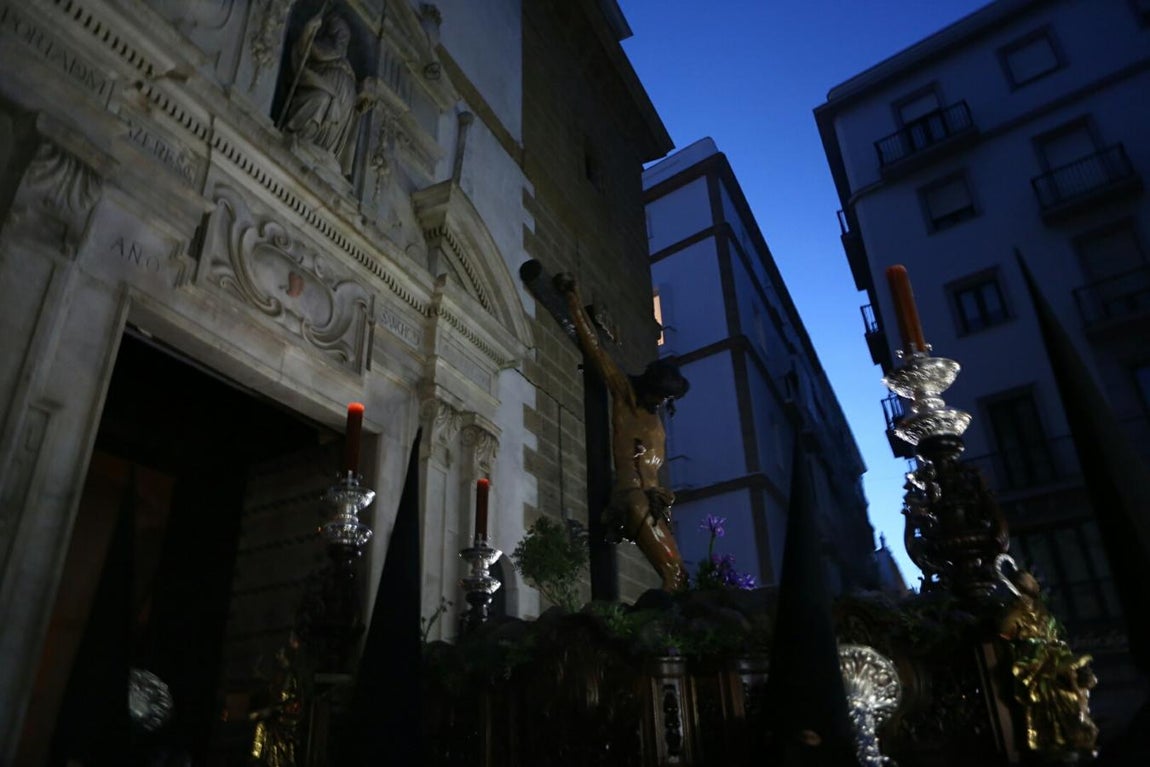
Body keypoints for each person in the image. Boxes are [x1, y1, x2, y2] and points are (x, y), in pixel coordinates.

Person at [555, 273, 690, 591]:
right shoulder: (626, 396)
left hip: (654, 500)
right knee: (672, 574)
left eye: (668, 398)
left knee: (679, 576)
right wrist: (573, 299)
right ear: (651, 385)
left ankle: (662, 629)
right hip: (630, 498)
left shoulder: (655, 420)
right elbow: (596, 350)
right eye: (661, 394)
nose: (662, 402)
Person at [282, 13, 359, 158]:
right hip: (317, 90)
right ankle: (305, 138)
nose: (342, 40)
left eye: (345, 38)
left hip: (342, 108)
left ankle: (325, 152)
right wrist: (308, 30)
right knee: (321, 99)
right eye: (339, 34)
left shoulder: (344, 61)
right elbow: (301, 56)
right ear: (331, 34)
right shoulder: (317, 46)